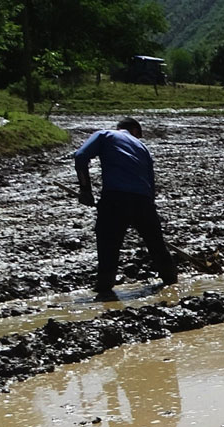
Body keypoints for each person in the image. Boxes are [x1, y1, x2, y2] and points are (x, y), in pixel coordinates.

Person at [74, 117, 177, 300]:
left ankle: (105, 288)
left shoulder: (105, 135)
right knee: (156, 244)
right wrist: (147, 208)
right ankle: (171, 282)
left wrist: (85, 190)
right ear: (135, 131)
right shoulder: (142, 147)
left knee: (108, 242)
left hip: (115, 197)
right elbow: (151, 181)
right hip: (143, 200)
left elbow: (81, 156)